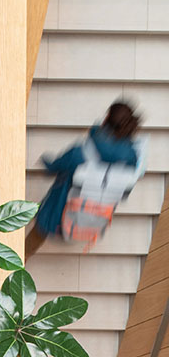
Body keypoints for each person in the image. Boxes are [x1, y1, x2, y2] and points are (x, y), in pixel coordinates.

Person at [26, 101, 145, 255]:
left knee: (37, 230)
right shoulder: (132, 159)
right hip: (94, 218)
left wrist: (45, 161)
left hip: (57, 217)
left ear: (107, 118)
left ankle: (19, 258)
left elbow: (53, 168)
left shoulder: (81, 152)